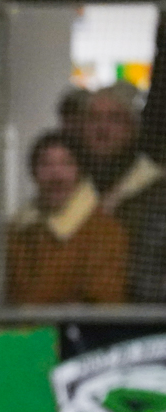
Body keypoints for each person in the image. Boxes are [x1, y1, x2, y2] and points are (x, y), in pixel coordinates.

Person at [8, 132, 127, 304]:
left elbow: (104, 303)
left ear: (80, 171)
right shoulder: (17, 231)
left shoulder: (105, 233)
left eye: (67, 164)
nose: (57, 175)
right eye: (46, 164)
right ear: (33, 173)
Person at [81, 84, 166, 302]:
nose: (102, 128)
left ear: (133, 128)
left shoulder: (157, 190)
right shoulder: (73, 189)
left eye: (114, 118)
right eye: (94, 119)